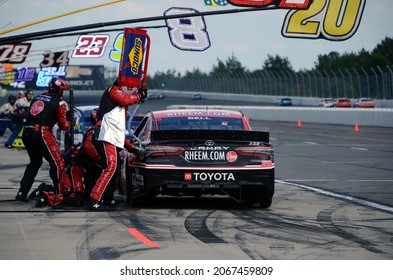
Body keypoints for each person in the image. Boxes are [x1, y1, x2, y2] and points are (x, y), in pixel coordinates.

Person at [84, 79, 147, 210]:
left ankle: (107, 199)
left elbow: (120, 133)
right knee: (111, 166)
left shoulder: (119, 104)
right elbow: (125, 100)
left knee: (115, 166)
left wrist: (133, 149)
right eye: (130, 86)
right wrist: (139, 96)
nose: (131, 89)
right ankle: (93, 199)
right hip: (105, 133)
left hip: (110, 133)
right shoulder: (114, 90)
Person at [15, 78, 71, 202]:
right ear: (59, 90)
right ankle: (60, 194)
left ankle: (21, 193)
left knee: (35, 162)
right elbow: (63, 125)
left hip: (27, 132)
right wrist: (69, 123)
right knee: (58, 163)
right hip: (41, 132)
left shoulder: (37, 98)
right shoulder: (60, 103)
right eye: (62, 90)